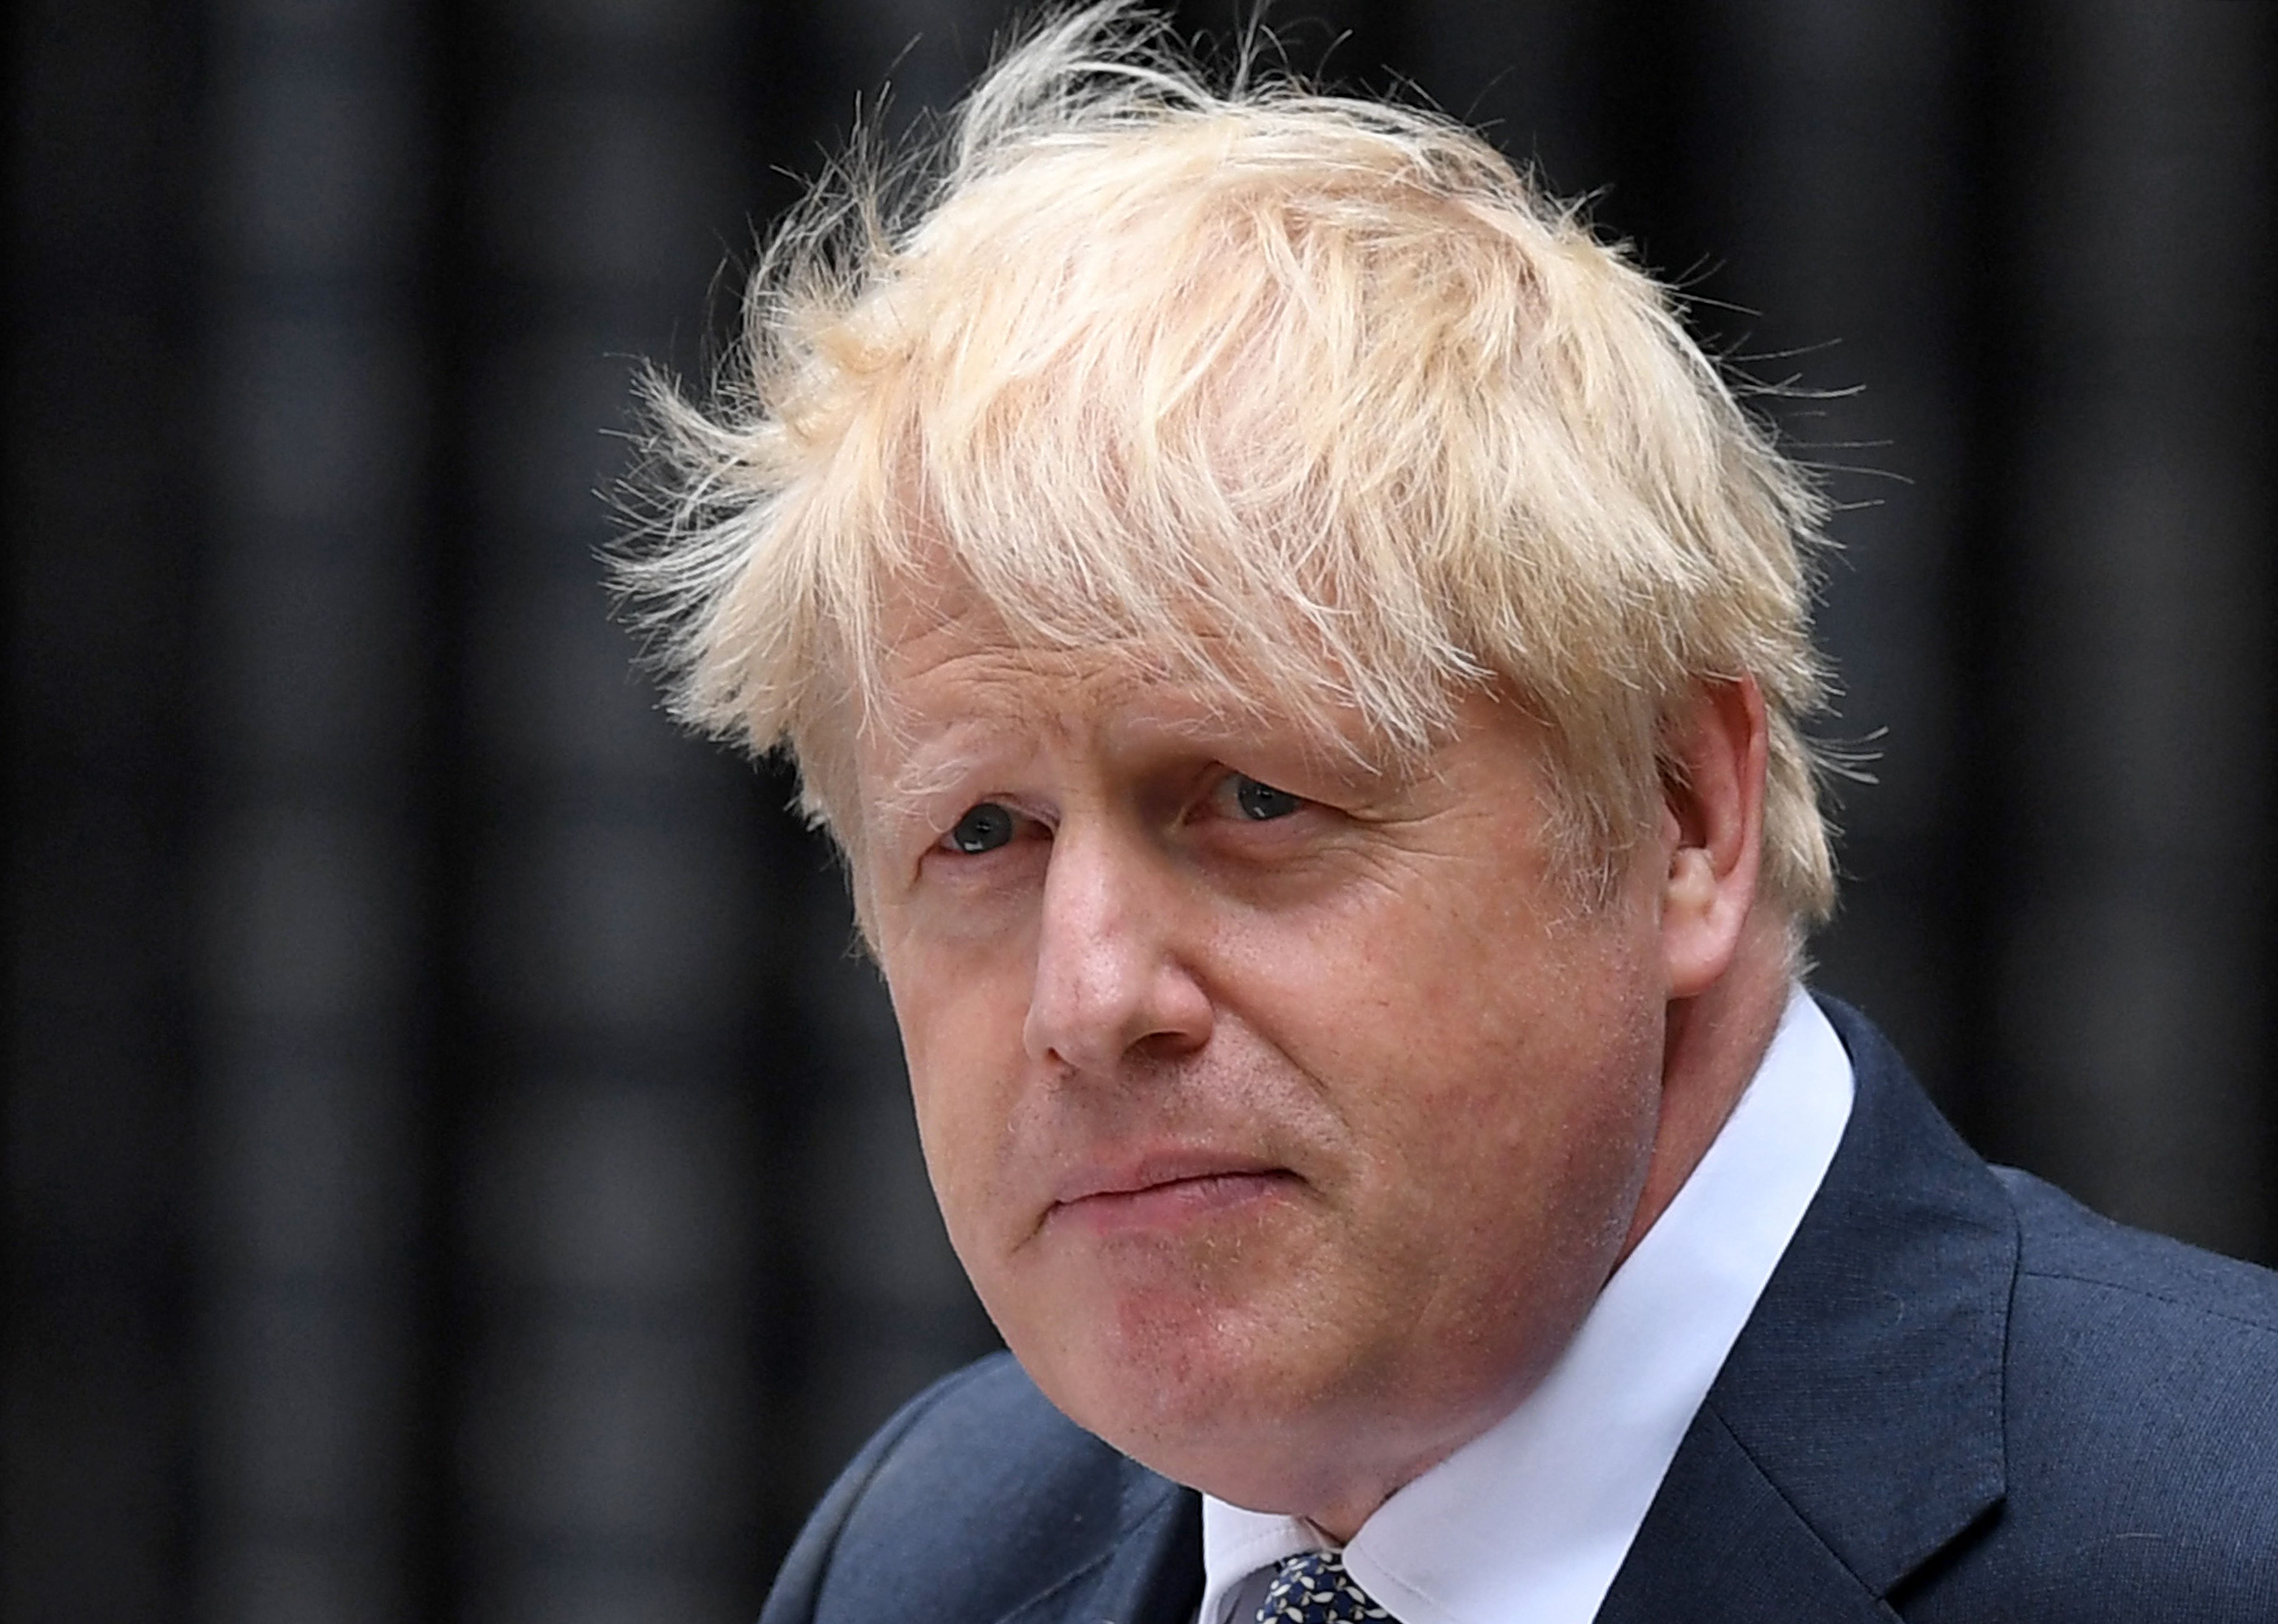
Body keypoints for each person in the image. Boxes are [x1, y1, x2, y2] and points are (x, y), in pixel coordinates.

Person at [619, 8, 2278, 1620]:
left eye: (1253, 797)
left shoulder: (2220, 1533)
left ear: (1677, 814)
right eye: (981, 833)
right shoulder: (929, 1554)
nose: (1090, 998)